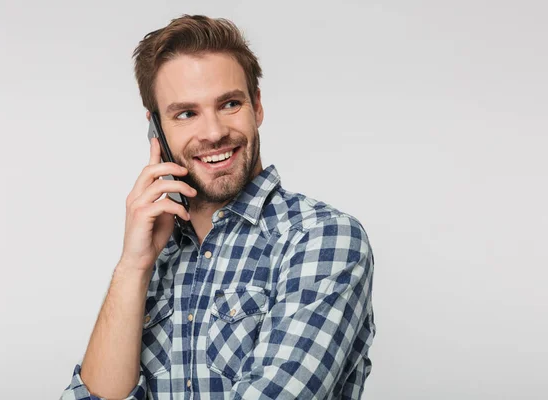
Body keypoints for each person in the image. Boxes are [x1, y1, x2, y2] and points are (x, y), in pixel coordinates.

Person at [60, 14, 375, 400]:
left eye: (229, 104)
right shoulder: (153, 257)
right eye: (186, 113)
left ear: (256, 107)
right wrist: (133, 267)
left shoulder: (322, 238)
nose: (213, 132)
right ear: (156, 128)